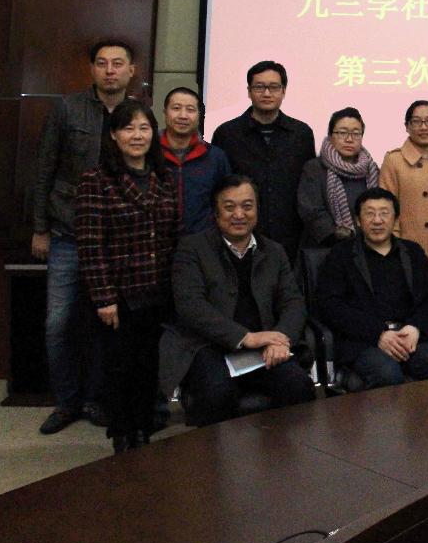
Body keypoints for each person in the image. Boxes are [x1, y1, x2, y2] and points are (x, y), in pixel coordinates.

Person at [31, 39, 136, 434]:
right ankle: (66, 402)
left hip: (116, 239)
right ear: (92, 69)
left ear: (131, 71)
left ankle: (94, 399)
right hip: (67, 234)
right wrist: (40, 227)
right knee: (58, 324)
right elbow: (44, 168)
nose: (110, 71)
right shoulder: (67, 108)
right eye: (102, 63)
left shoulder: (137, 113)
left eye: (118, 64)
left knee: (105, 324)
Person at [159, 175, 315, 426]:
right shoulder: (192, 249)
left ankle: (283, 447)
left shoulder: (273, 251)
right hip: (207, 345)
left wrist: (281, 339)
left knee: (297, 385)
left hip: (264, 346)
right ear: (216, 212)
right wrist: (245, 337)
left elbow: (293, 303)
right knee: (216, 393)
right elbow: (191, 306)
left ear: (257, 210)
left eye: (247, 206)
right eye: (229, 207)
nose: (239, 214)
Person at [75, 100, 179, 452]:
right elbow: (90, 245)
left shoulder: (164, 178)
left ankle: (143, 432)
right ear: (114, 135)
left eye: (144, 128)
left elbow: (171, 235)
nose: (137, 135)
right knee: (119, 368)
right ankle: (122, 436)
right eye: (129, 128)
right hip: (117, 297)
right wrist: (104, 298)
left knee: (148, 367)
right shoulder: (96, 180)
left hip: (156, 292)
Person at [315, 188, 428, 389]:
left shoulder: (412, 252)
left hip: (410, 337)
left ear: (395, 220)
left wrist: (415, 327)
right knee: (388, 375)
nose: (377, 220)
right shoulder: (341, 255)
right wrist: (378, 334)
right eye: (370, 213)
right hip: (366, 341)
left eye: (384, 213)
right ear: (358, 220)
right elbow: (330, 306)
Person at [211, 60, 315, 260]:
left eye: (273, 87)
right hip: (238, 234)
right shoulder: (227, 134)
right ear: (249, 91)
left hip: (290, 237)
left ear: (283, 91)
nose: (267, 93)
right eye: (259, 87)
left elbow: (308, 187)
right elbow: (218, 187)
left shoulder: (301, 134)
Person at [379, 100, 428, 298]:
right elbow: (386, 209)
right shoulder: (394, 160)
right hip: (408, 250)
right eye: (417, 121)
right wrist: (392, 247)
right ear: (407, 126)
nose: (424, 127)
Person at [298, 107, 379, 248]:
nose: (349, 139)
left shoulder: (371, 170)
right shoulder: (315, 168)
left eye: (356, 133)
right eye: (342, 133)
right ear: (330, 136)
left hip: (366, 247)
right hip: (327, 247)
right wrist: (336, 236)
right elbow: (311, 210)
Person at [160, 87, 231, 236]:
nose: (183, 115)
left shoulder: (215, 157)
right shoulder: (149, 154)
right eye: (176, 108)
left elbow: (226, 201)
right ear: (165, 113)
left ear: (199, 116)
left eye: (190, 110)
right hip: (156, 241)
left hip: (202, 241)